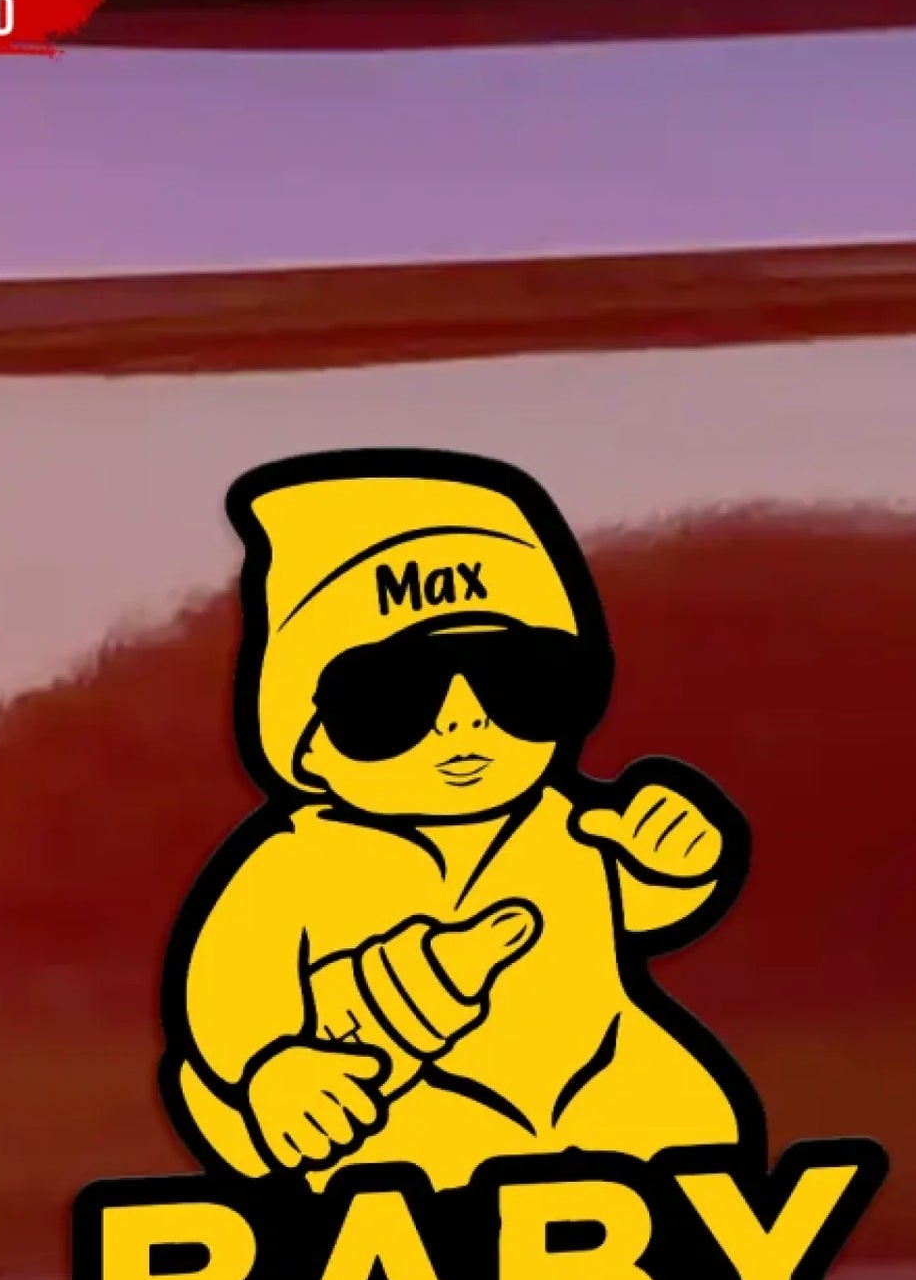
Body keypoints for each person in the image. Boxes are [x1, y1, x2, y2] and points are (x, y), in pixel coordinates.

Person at [166, 448, 756, 1192]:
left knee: (690, 1126)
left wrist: (672, 861)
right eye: (394, 702)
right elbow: (230, 990)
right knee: (402, 1178)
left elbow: (637, 910)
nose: (465, 725)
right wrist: (274, 1067)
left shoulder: (569, 824)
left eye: (520, 685)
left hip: (600, 1076)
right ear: (306, 743)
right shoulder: (295, 866)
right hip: (404, 1107)